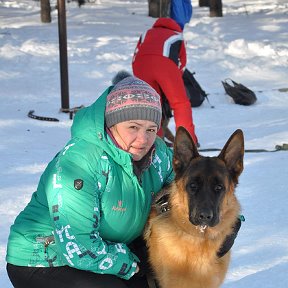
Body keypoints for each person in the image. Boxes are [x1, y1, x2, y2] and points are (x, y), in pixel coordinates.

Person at [5, 74, 174, 288]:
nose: (144, 139)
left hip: (111, 247)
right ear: (111, 123)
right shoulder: (80, 162)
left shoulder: (159, 155)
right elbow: (79, 246)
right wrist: (134, 265)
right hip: (44, 259)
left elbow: (182, 190)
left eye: (151, 129)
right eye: (133, 127)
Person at [132, 17, 199, 146]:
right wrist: (171, 83)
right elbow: (181, 64)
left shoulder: (146, 33)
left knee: (151, 104)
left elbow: (136, 55)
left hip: (140, 65)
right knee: (180, 104)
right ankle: (187, 142)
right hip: (165, 66)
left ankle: (154, 140)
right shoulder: (177, 36)